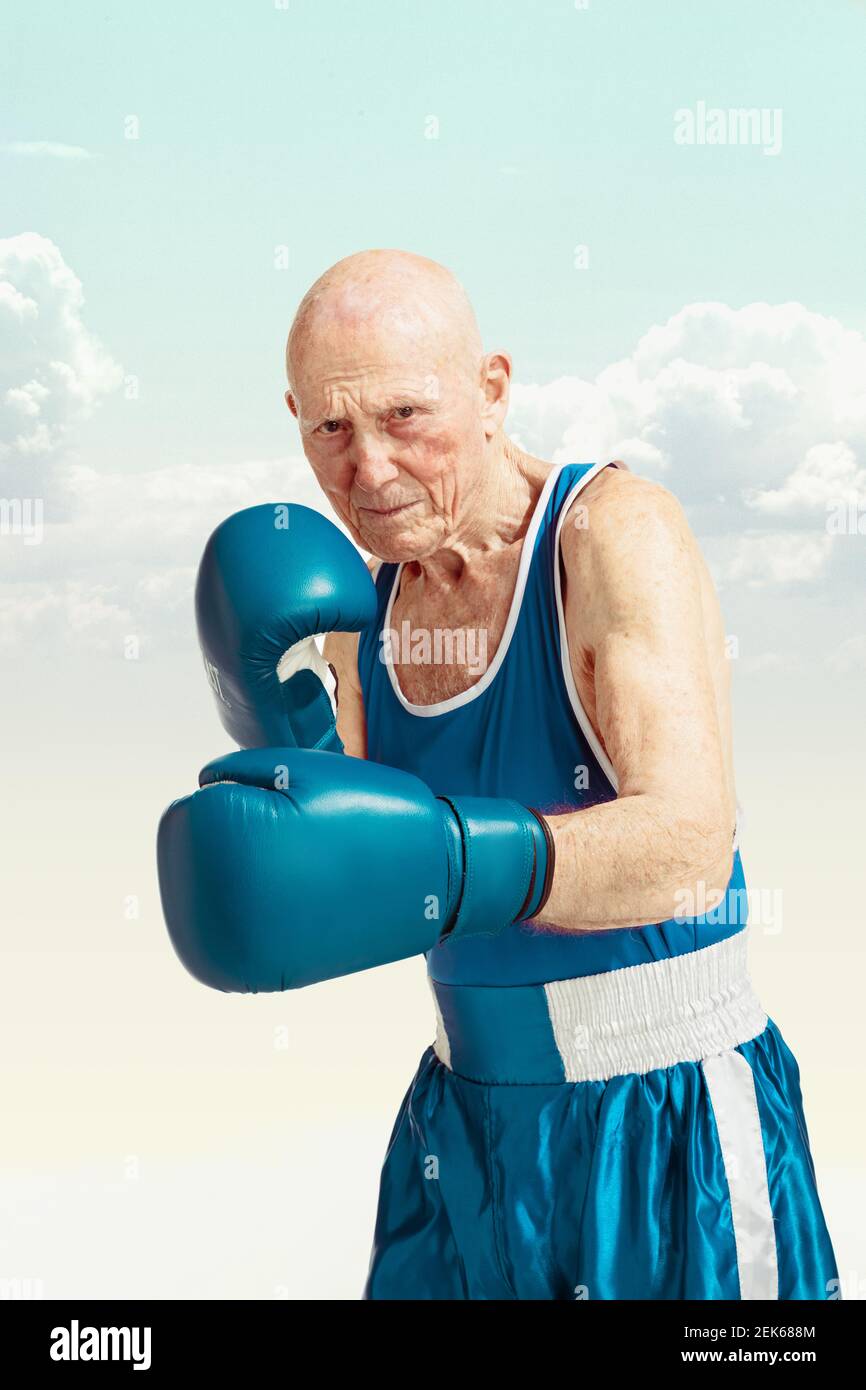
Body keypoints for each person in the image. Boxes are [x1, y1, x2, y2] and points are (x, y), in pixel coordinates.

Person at [159, 249, 839, 1300]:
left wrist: (470, 857)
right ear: (291, 415)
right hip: (463, 1126)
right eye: (329, 429)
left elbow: (689, 848)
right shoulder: (357, 609)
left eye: (404, 417)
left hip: (666, 1126)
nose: (368, 471)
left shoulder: (609, 535)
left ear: (490, 389)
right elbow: (360, 880)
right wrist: (275, 739)